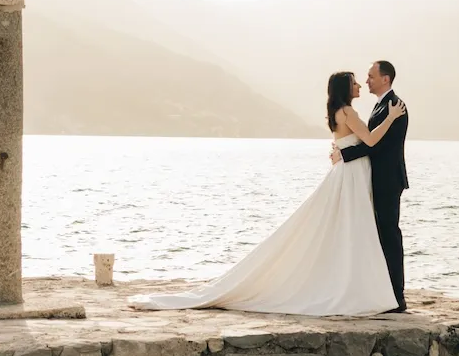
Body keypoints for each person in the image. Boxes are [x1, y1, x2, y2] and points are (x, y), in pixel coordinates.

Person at [128, 70, 406, 317]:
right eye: (356, 82)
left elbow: (352, 144)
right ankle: (355, 286)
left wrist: (342, 152)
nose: (361, 84)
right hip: (351, 177)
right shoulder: (350, 112)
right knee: (350, 230)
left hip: (348, 173)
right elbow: (370, 140)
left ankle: (351, 283)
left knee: (342, 229)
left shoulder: (338, 113)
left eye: (364, 79)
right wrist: (391, 118)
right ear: (346, 89)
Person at [331, 59, 409, 311]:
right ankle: (380, 292)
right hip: (371, 178)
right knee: (375, 235)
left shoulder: (395, 106)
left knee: (389, 235)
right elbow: (368, 139)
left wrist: (345, 154)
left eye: (371, 77)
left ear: (385, 79)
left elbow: (380, 145)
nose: (366, 82)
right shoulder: (379, 106)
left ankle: (397, 297)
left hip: (387, 180)